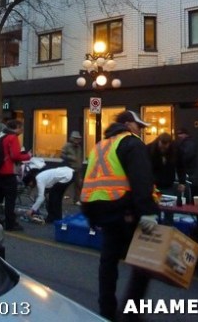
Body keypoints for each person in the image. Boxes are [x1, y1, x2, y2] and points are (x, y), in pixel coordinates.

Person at [81, 110, 159, 321]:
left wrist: (90, 215)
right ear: (128, 124)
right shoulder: (132, 143)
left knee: (108, 262)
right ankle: (131, 313)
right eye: (138, 126)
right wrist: (148, 212)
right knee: (143, 263)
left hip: (101, 211)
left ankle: (106, 311)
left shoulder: (100, 145)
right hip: (125, 210)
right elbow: (141, 179)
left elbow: (88, 179)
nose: (140, 130)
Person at [0, 119, 31, 231]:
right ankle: (10, 224)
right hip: (8, 172)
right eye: (21, 127)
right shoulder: (13, 138)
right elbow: (15, 156)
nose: (22, 130)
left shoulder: (3, 137)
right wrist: (28, 156)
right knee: (10, 200)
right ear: (16, 127)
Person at [61, 130, 84, 205]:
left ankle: (76, 200)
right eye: (75, 138)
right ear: (72, 138)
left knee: (79, 185)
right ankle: (60, 198)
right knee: (65, 184)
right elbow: (62, 155)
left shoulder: (79, 147)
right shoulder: (67, 146)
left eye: (78, 139)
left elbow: (80, 157)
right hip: (69, 169)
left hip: (78, 169)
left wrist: (80, 164)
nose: (77, 140)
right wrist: (70, 157)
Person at [175, 127, 196, 197]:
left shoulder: (188, 144)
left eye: (181, 134)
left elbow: (186, 156)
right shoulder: (186, 143)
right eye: (178, 134)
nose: (179, 135)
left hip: (188, 171)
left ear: (186, 134)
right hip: (187, 171)